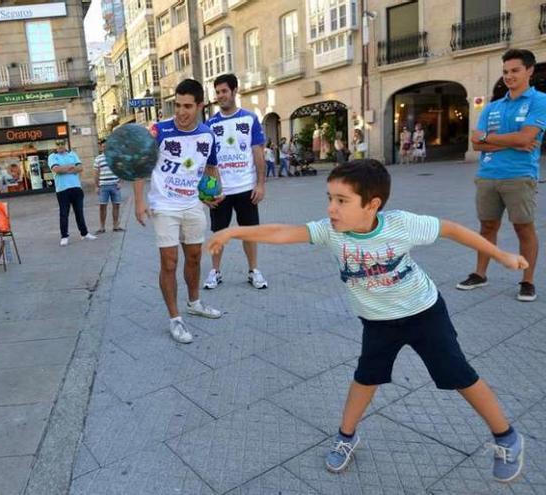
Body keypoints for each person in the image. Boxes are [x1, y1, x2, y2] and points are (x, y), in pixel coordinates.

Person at [208, 159, 527, 483]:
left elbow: (453, 230)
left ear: (372, 205)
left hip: (424, 313)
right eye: (330, 198)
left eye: (342, 201)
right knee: (366, 377)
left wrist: (502, 257)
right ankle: (347, 436)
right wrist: (235, 230)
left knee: (458, 374)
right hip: (377, 321)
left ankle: (506, 436)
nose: (331, 208)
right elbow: (282, 231)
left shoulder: (401, 225)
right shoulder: (331, 232)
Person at [134, 78, 223, 344]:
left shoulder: (208, 135)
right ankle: (175, 319)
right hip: (164, 206)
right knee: (169, 262)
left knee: (195, 257)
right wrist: (140, 201)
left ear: (200, 106)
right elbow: (141, 164)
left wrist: (214, 190)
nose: (181, 112)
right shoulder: (158, 131)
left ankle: (194, 302)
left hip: (194, 204)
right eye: (177, 105)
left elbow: (210, 167)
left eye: (187, 106)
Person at [458, 48, 546, 302]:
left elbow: (526, 138)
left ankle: (527, 281)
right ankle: (480, 274)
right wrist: (513, 141)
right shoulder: (492, 106)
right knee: (487, 226)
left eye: (515, 70)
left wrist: (492, 139)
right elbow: (476, 143)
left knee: (523, 228)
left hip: (519, 176)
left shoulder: (539, 101)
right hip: (488, 175)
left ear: (529, 70)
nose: (509, 76)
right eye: (505, 71)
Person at [203, 74, 268, 291]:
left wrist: (260, 184)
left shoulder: (250, 119)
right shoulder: (209, 125)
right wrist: (206, 192)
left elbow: (258, 152)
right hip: (221, 191)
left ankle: (253, 271)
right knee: (218, 233)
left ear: (234, 91)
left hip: (246, 188)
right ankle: (215, 272)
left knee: (249, 232)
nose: (220, 96)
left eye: (224, 91)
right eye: (217, 92)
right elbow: (206, 162)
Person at [48, 140, 96, 246]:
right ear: (55, 146)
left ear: (65, 145)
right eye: (58, 144)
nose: (60, 146)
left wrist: (64, 169)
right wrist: (71, 168)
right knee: (64, 214)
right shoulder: (52, 156)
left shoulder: (72, 154)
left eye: (62, 144)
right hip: (62, 189)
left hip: (76, 187)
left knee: (79, 212)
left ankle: (84, 233)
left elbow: (80, 168)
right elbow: (56, 169)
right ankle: (64, 236)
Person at [93, 139, 123, 233]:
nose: (105, 147)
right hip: (103, 186)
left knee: (116, 205)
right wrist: (96, 186)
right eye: (103, 146)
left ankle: (116, 226)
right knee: (102, 206)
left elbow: (121, 169)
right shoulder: (98, 159)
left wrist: (120, 182)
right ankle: (102, 227)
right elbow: (96, 173)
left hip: (115, 185)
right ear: (101, 148)